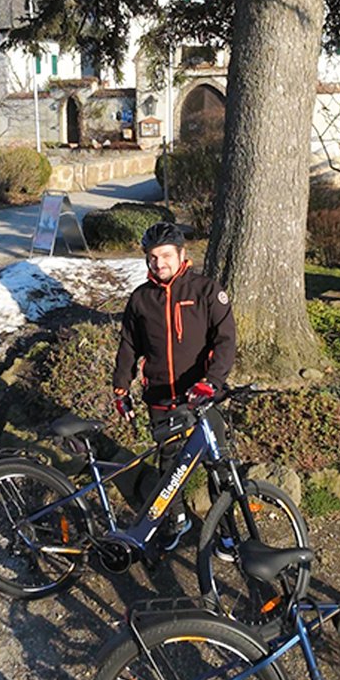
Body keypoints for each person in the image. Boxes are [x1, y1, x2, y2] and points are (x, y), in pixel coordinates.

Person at [112, 220, 236, 548]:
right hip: (160, 397)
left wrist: (213, 381)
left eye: (166, 255)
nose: (159, 263)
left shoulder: (206, 291)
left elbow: (226, 341)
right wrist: (121, 387)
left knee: (217, 466)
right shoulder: (141, 299)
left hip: (202, 396)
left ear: (182, 254)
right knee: (169, 466)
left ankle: (227, 532)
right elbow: (128, 345)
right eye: (152, 257)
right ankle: (176, 519)